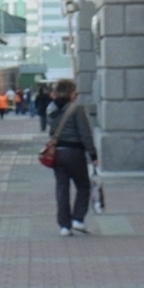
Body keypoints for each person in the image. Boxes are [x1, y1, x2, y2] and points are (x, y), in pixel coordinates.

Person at [47, 79, 98, 236]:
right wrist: (93, 154)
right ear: (71, 93)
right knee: (83, 186)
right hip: (74, 152)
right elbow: (85, 134)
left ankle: (64, 225)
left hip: (57, 153)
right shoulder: (76, 109)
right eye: (75, 91)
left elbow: (51, 131)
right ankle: (78, 219)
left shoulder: (51, 109)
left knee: (62, 188)